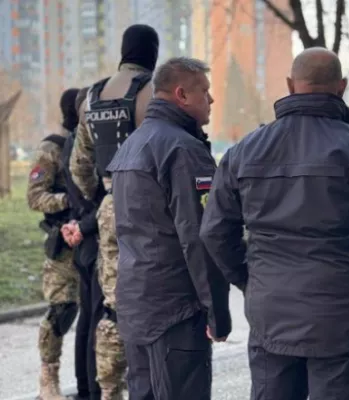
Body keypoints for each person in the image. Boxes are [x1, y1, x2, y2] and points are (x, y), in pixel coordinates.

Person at [200, 47, 349, 400]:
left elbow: (213, 231)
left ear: (289, 85)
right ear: (341, 87)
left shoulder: (244, 152)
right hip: (341, 321)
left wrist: (251, 280)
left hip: (271, 316)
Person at [106, 57, 231, 400]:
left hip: (137, 307)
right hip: (176, 312)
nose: (211, 99)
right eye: (204, 91)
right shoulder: (183, 150)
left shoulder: (131, 145)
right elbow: (200, 238)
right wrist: (217, 313)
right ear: (181, 95)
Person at [69, 24, 159, 400]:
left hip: (109, 206)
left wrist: (101, 199)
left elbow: (79, 166)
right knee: (151, 301)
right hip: (150, 209)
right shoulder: (155, 91)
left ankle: (108, 391)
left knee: (113, 305)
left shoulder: (92, 97)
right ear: (152, 52)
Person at [27, 88, 80, 400]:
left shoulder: (91, 144)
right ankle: (48, 380)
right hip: (63, 245)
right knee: (62, 310)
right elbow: (35, 196)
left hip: (93, 239)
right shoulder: (53, 148)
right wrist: (68, 200)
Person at [61, 87, 106, 400]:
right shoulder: (86, 146)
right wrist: (85, 225)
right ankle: (93, 387)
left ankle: (84, 386)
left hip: (81, 237)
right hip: (91, 236)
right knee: (97, 319)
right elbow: (100, 198)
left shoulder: (70, 143)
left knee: (89, 318)